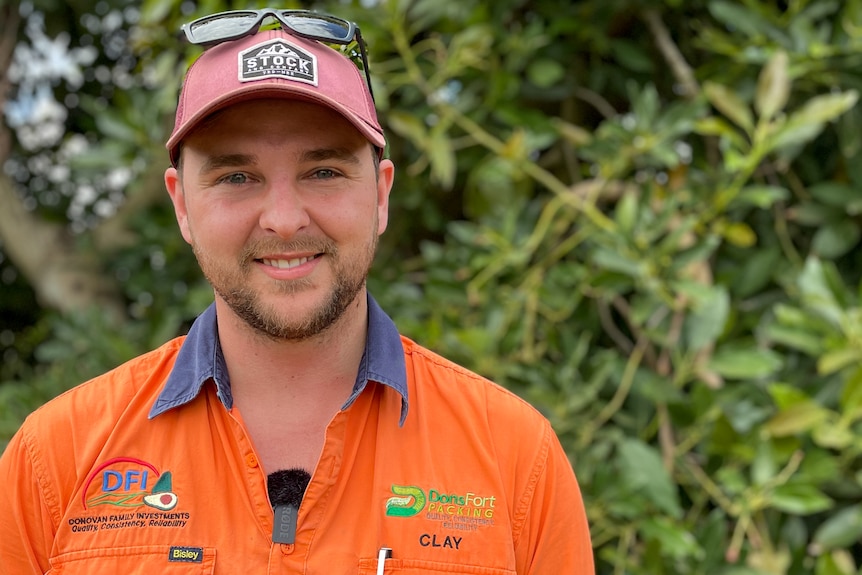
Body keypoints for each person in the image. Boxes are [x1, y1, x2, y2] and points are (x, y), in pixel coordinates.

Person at [0, 8, 593, 574]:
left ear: (381, 195)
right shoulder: (53, 460)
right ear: (181, 204)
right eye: (237, 176)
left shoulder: (515, 457)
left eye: (324, 171)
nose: (284, 219)